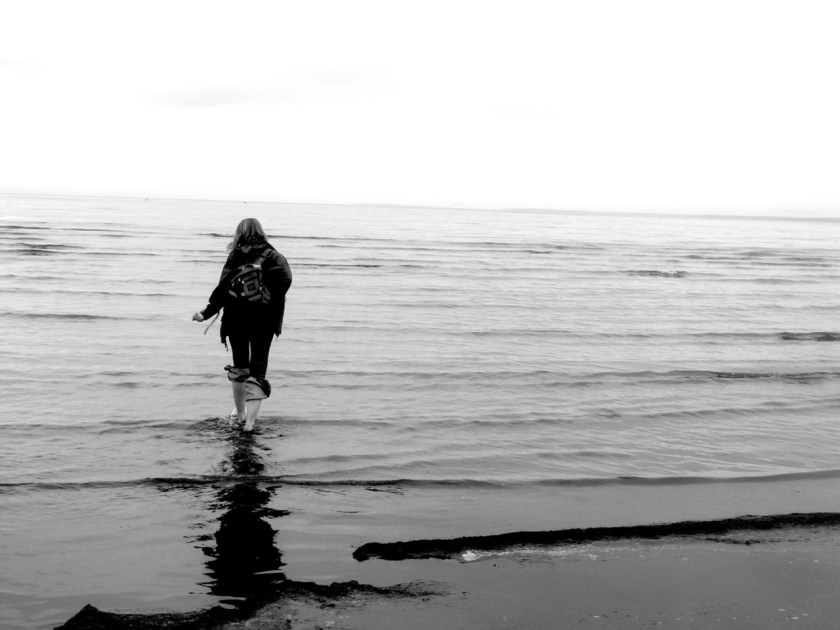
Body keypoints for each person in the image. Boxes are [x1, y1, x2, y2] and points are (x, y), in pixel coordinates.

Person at [193, 218, 292, 431]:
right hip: (264, 322)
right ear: (261, 232)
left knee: (239, 368)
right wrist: (268, 296)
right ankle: (250, 422)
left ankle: (240, 415)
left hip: (236, 320)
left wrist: (206, 313)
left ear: (239, 234)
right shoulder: (273, 255)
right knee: (258, 370)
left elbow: (223, 289)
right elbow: (286, 279)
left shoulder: (236, 256)